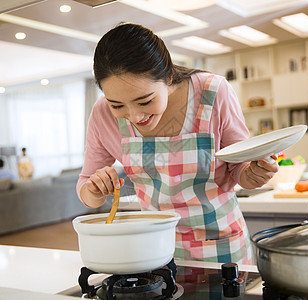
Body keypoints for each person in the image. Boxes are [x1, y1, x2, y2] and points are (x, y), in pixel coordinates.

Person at [76, 23, 279, 265]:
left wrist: (255, 173)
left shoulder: (213, 92)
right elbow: (86, 186)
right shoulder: (102, 113)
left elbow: (240, 169)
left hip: (222, 248)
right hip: (153, 250)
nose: (135, 116)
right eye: (117, 105)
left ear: (168, 76)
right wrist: (95, 189)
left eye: (145, 100)